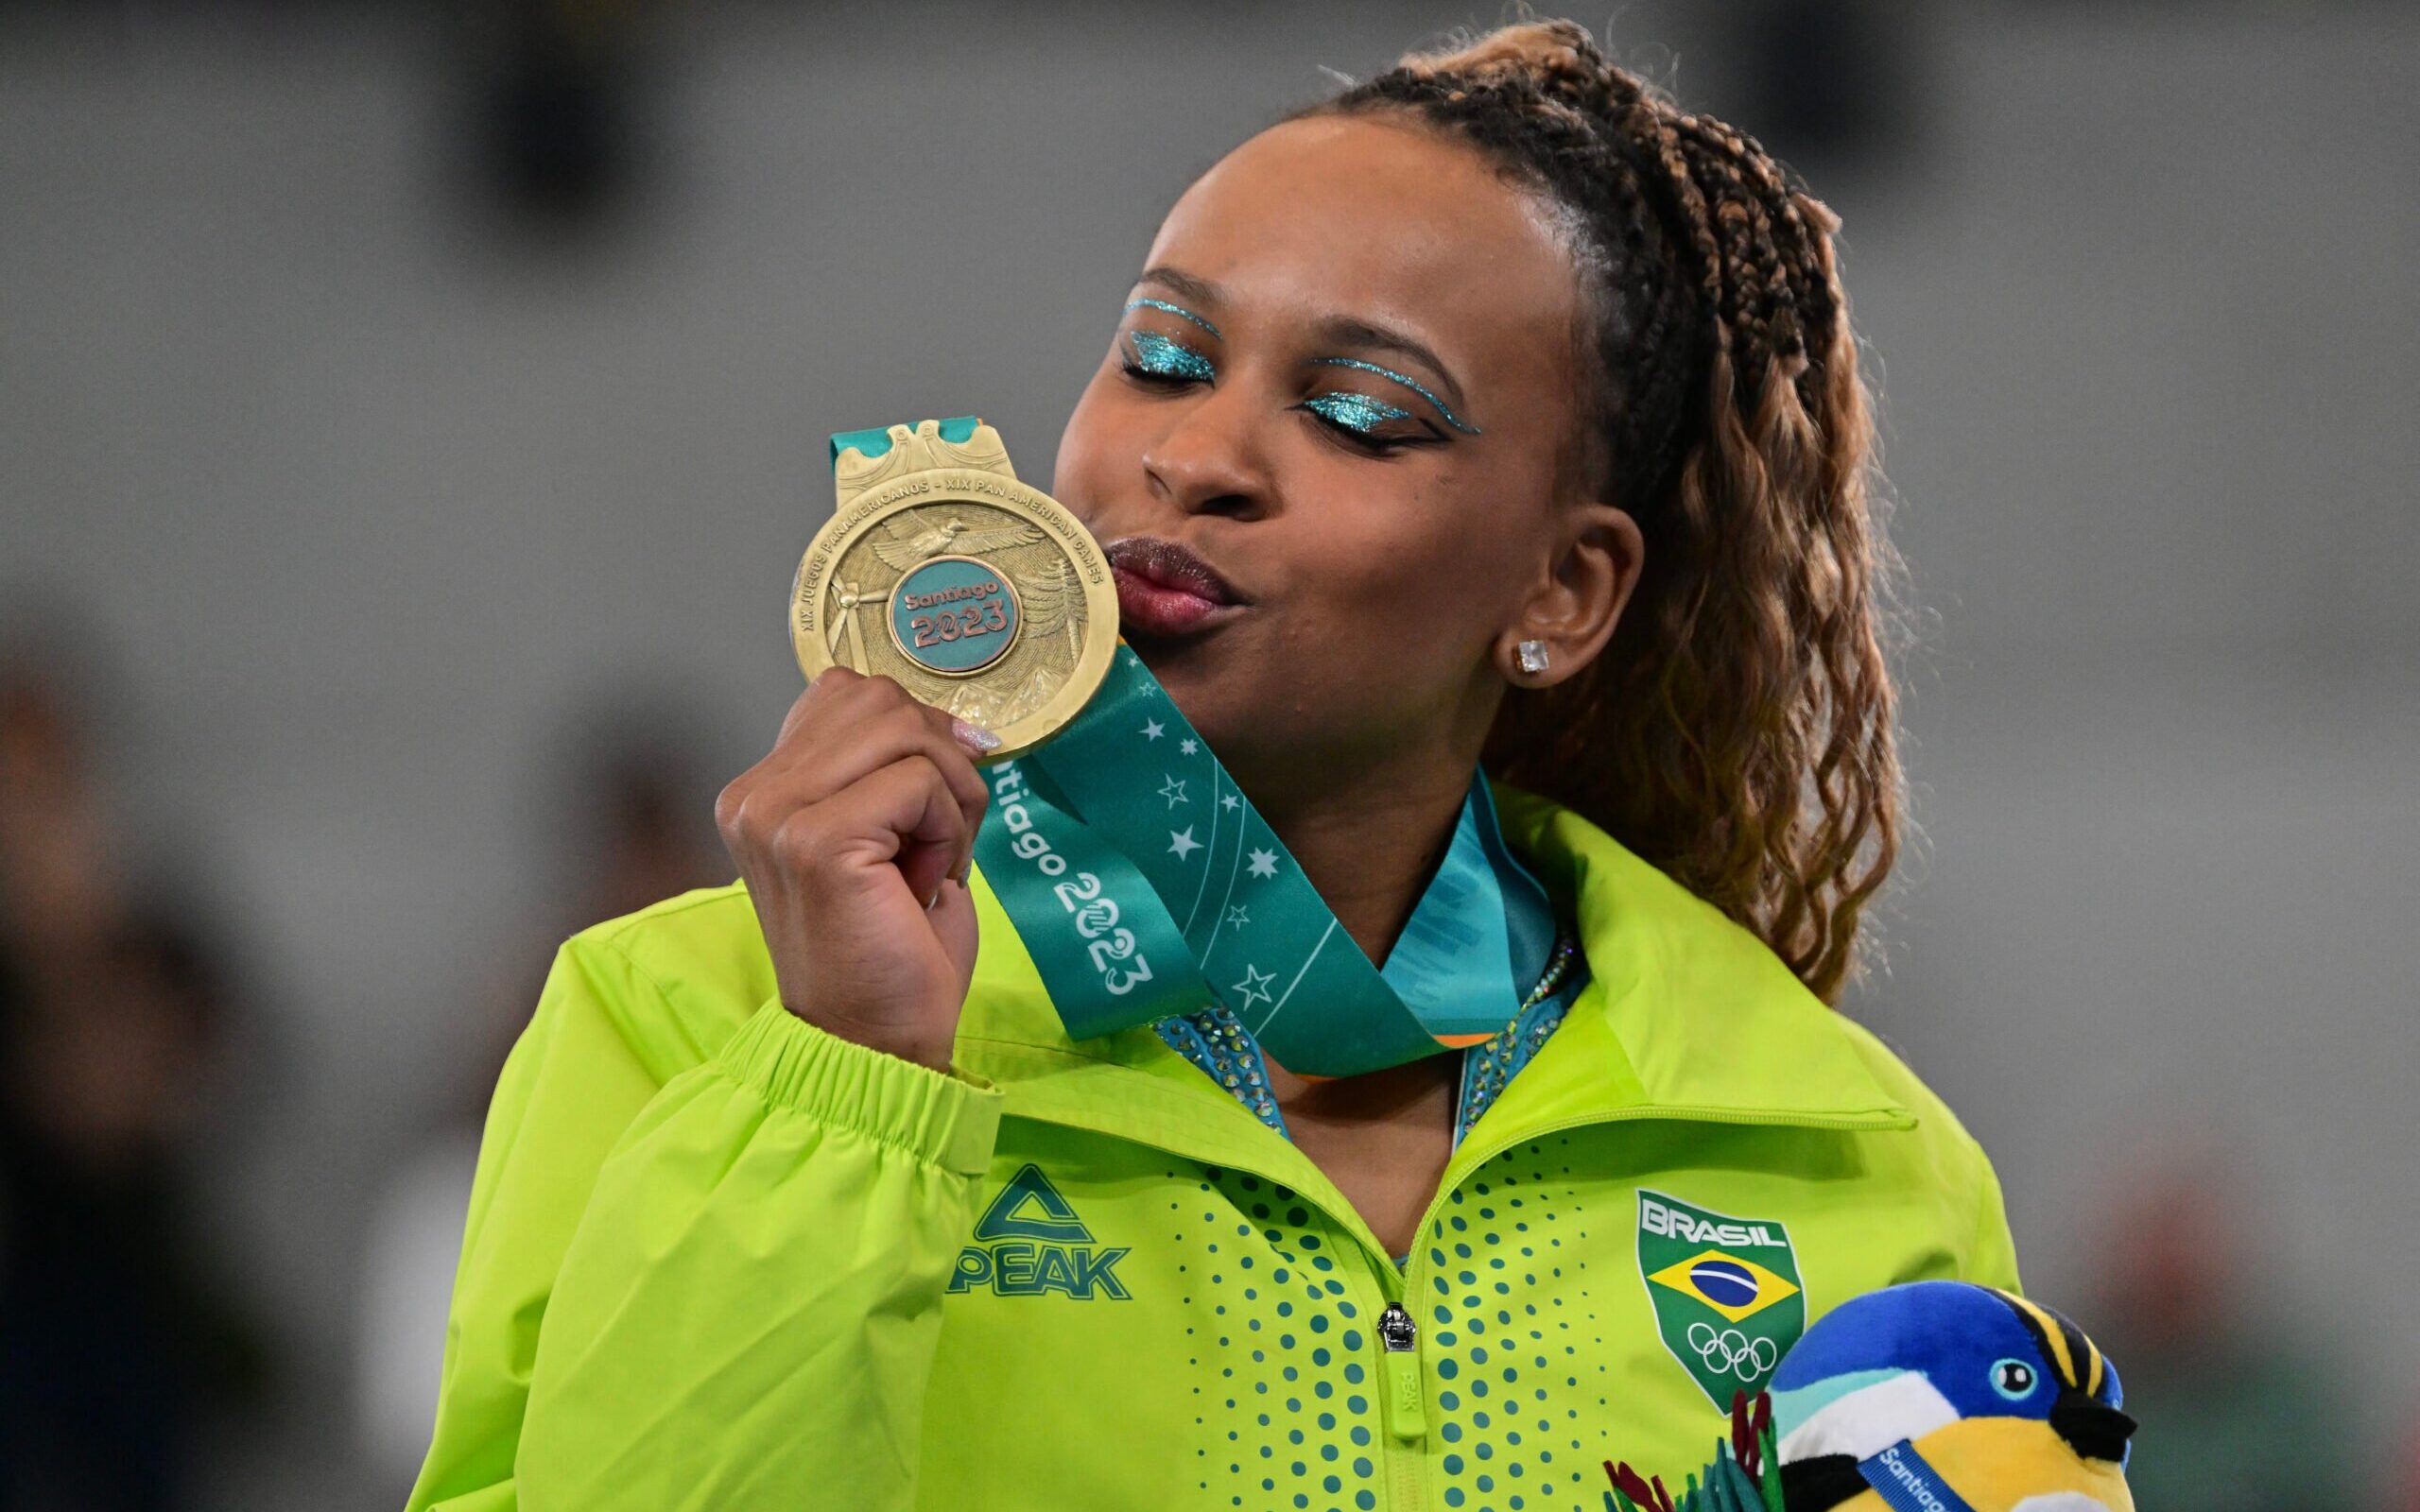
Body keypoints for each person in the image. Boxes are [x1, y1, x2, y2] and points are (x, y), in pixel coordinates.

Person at [408, 21, 2019, 1511]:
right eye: (1165, 359)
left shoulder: (1851, 1162)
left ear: (1563, 590)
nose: (1195, 457)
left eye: (1361, 412)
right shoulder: (686, 1025)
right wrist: (851, 1094)